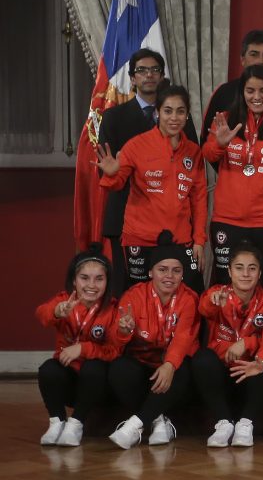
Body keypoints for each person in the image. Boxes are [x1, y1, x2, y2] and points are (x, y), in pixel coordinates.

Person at [98, 49, 198, 295]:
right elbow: (108, 170)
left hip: (174, 225)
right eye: (141, 70)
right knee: (132, 292)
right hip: (128, 222)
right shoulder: (113, 117)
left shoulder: (181, 116)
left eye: (154, 70)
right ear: (132, 78)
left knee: (181, 292)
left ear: (162, 75)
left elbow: (192, 167)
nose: (149, 75)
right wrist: (113, 172)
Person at [203, 64, 263, 288]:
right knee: (227, 287)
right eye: (250, 91)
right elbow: (206, 155)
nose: (257, 97)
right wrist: (219, 143)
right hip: (227, 220)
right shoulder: (226, 120)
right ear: (242, 92)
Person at [107, 233, 200, 449]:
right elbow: (115, 341)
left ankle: (134, 425)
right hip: (143, 364)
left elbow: (184, 337)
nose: (169, 276)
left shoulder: (188, 299)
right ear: (150, 272)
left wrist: (169, 364)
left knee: (183, 368)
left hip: (172, 365)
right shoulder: (133, 296)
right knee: (119, 369)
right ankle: (159, 421)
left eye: (176, 271)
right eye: (162, 270)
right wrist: (122, 330)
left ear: (183, 275)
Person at [192, 243, 263, 448]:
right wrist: (212, 301)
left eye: (252, 268)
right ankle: (224, 423)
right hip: (222, 374)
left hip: (251, 375)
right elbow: (204, 308)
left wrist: (248, 343)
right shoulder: (218, 293)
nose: (245, 273)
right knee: (202, 359)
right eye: (239, 267)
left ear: (260, 273)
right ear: (229, 271)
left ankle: (245, 423)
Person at [36, 246, 122, 447]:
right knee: (48, 369)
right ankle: (57, 422)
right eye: (84, 278)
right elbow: (41, 314)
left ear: (107, 281)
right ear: (74, 280)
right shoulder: (65, 301)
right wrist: (57, 311)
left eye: (99, 279)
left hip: (97, 385)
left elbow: (114, 352)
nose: (91, 285)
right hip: (70, 380)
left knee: (94, 367)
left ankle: (76, 424)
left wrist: (83, 348)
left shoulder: (113, 308)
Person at [201, 29, 263, 145]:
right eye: (254, 54)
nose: (261, 61)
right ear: (242, 59)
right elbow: (206, 140)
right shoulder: (223, 93)